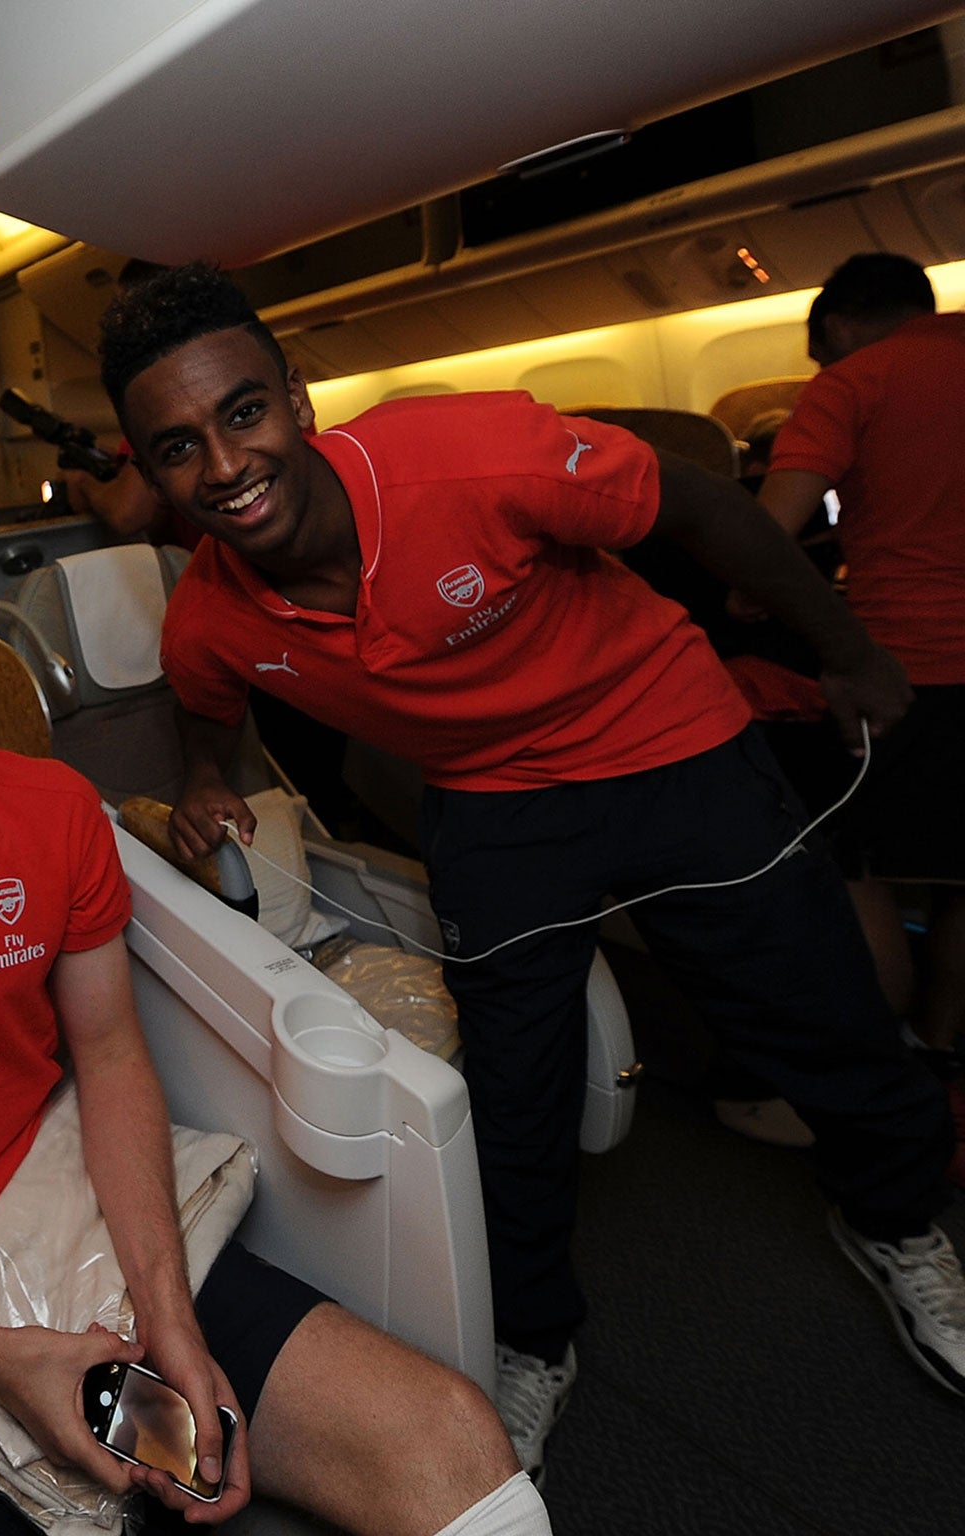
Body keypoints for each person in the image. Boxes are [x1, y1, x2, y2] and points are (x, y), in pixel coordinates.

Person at [99, 262, 964, 1480]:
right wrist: (199, 780)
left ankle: (893, 1221)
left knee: (809, 999)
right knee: (512, 1081)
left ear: (295, 397)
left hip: (667, 735)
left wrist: (845, 656)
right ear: (146, 465)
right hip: (497, 806)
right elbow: (206, 712)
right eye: (178, 446)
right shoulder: (211, 615)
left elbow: (701, 508)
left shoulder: (465, 456)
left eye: (242, 413)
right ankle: (534, 1336)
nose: (225, 466)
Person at [0, 486, 548, 1536]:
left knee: (446, 1440)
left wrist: (167, 1320)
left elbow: (110, 1053)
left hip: (61, 1195)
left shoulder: (51, 811)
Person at [755, 253, 965, 1059]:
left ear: (837, 327)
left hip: (912, 668)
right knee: (963, 876)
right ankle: (938, 1045)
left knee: (856, 861)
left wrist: (746, 592)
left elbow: (768, 534)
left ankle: (879, 1075)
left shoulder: (853, 382)